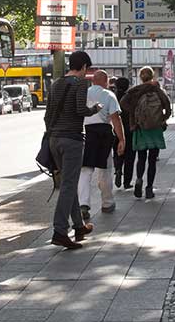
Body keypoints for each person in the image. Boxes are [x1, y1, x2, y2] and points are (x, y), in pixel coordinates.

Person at [45, 50, 100, 249]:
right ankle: (60, 230)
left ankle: (79, 226)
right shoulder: (80, 84)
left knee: (69, 182)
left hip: (54, 139)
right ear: (84, 67)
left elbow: (47, 114)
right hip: (72, 140)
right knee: (68, 185)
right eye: (87, 69)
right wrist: (95, 109)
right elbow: (80, 110)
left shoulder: (56, 83)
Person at [78, 70, 126, 218]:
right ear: (105, 81)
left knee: (85, 170)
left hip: (86, 133)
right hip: (103, 133)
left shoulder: (83, 94)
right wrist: (121, 139)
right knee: (104, 169)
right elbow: (115, 119)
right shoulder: (109, 95)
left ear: (93, 81)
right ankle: (107, 203)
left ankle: (83, 204)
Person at [120, 66, 171, 199]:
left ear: (141, 77)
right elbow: (168, 106)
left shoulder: (135, 90)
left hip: (140, 127)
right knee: (152, 160)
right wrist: (162, 119)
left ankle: (138, 180)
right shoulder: (157, 90)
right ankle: (149, 188)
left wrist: (134, 111)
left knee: (141, 158)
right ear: (152, 76)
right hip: (155, 128)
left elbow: (123, 102)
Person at [112, 76, 133, 190]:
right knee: (130, 155)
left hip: (115, 128)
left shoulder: (113, 96)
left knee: (117, 151)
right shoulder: (130, 97)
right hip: (129, 129)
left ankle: (118, 169)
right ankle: (127, 181)